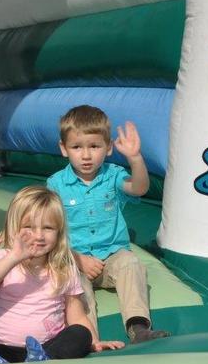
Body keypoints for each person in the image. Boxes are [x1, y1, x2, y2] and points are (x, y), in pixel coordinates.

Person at [47, 105, 170, 343]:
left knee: (131, 262)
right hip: (76, 259)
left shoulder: (113, 175)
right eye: (76, 147)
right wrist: (77, 259)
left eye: (94, 146)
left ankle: (138, 327)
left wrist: (135, 158)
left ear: (109, 147)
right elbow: (51, 232)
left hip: (112, 255)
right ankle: (88, 338)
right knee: (74, 285)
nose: (86, 155)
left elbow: (139, 187)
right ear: (64, 149)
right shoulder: (56, 185)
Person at [0, 186, 125, 364]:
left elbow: (75, 314)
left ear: (59, 232)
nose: (38, 236)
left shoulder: (63, 268)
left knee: (80, 334)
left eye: (47, 228)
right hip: (3, 347)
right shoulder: (4, 258)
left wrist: (94, 342)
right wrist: (15, 257)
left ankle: (42, 358)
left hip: (47, 346)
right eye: (29, 227)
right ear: (15, 229)